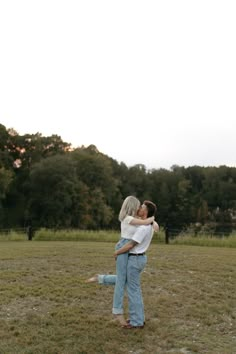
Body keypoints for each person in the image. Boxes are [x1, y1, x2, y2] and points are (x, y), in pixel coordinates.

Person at [86, 199, 158, 328]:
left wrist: (117, 252)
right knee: (129, 284)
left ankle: (135, 321)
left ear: (145, 211)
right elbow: (148, 223)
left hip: (134, 258)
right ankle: (137, 319)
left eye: (141, 207)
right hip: (138, 258)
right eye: (138, 206)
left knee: (132, 289)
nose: (139, 208)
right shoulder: (141, 223)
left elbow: (130, 244)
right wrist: (153, 220)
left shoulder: (143, 228)